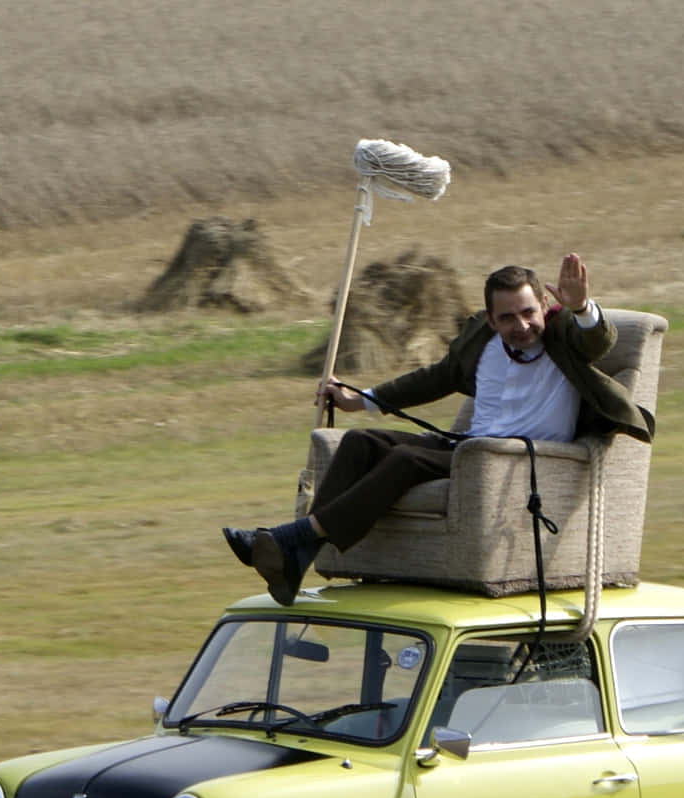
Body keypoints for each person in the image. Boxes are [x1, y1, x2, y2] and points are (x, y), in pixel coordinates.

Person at [223, 254, 654, 604]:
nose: (521, 326)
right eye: (507, 318)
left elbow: (597, 341)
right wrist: (363, 398)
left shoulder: (564, 335)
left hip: (515, 460)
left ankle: (293, 538)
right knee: (360, 443)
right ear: (490, 319)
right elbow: (434, 378)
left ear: (544, 305)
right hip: (465, 447)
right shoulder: (481, 344)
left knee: (405, 459)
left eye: (528, 312)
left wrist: (580, 307)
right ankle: (298, 557)